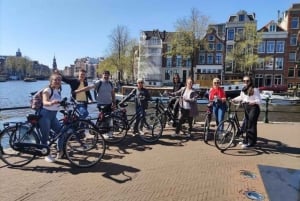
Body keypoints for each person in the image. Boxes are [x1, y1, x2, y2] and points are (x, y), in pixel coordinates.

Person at [74, 70, 116, 139]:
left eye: (107, 75)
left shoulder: (110, 84)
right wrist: (78, 91)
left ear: (109, 75)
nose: (106, 76)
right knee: (102, 119)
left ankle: (109, 133)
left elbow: (113, 93)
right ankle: (97, 133)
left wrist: (114, 103)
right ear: (102, 75)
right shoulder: (99, 82)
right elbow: (89, 87)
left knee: (109, 119)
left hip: (109, 103)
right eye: (104, 74)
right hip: (101, 104)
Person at [231, 75, 262, 149]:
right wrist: (233, 99)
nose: (245, 82)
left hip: (253, 108)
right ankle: (248, 140)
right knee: (248, 124)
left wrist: (253, 102)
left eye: (247, 81)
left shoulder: (254, 89)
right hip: (246, 108)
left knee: (251, 125)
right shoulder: (244, 89)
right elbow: (241, 97)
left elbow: (259, 101)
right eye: (244, 81)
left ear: (250, 81)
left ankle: (250, 143)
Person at [38, 72, 63, 163]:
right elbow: (45, 102)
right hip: (45, 115)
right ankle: (46, 155)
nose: (57, 81)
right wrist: (51, 103)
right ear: (51, 81)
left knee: (61, 132)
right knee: (45, 136)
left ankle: (60, 151)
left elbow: (59, 103)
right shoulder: (47, 90)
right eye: (55, 80)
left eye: (59, 80)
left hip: (53, 116)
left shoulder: (58, 91)